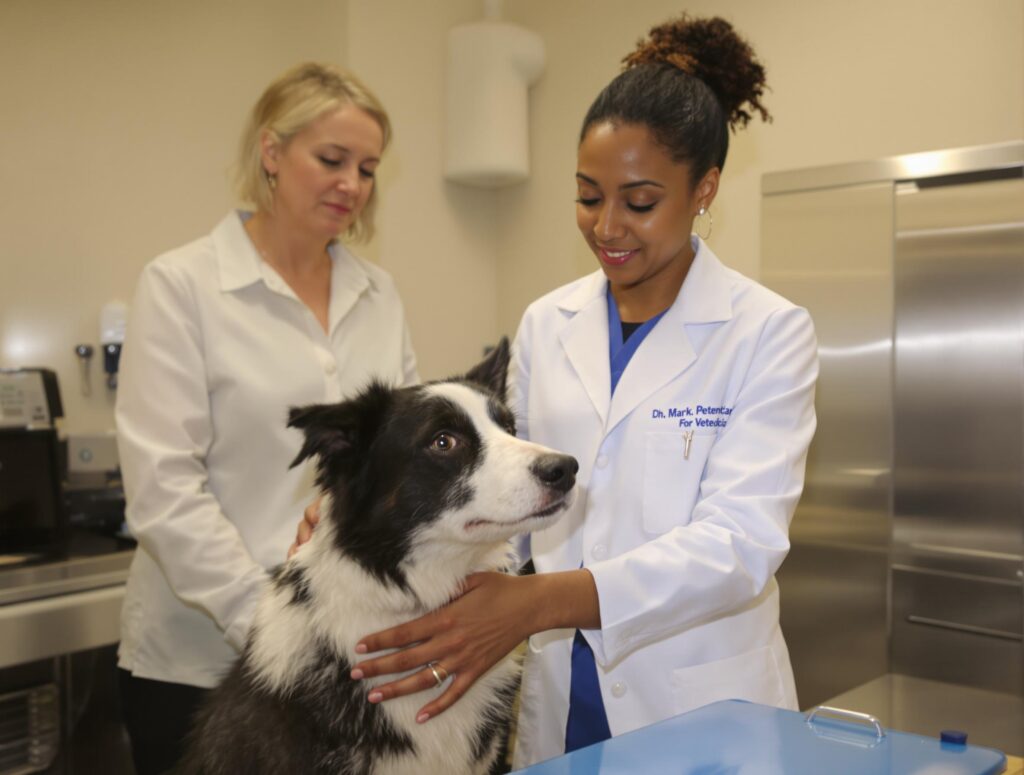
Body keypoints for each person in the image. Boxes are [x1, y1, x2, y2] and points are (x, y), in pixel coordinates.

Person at [296, 13, 818, 770]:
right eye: (586, 195)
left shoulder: (767, 331)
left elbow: (740, 546)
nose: (608, 227)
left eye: (639, 202)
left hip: (702, 702)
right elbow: (507, 486)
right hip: (562, 695)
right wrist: (367, 496)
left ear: (704, 190)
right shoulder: (550, 322)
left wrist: (537, 602)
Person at [114, 62, 418, 775]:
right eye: (332, 159)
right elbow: (164, 491)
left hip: (344, 658)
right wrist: (271, 617)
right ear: (272, 153)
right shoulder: (181, 286)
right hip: (198, 661)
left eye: (368, 168)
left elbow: (393, 464)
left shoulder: (380, 295)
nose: (352, 184)